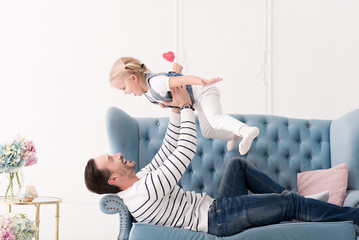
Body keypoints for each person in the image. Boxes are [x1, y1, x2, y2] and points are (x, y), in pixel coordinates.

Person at [84, 87, 356, 237]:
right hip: (219, 219)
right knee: (292, 204)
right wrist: (189, 106)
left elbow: (168, 148)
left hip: (216, 207)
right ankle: (350, 216)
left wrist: (176, 110)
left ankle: (289, 203)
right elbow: (184, 150)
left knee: (236, 165)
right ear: (113, 179)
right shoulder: (145, 190)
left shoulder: (140, 180)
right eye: (111, 159)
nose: (117, 155)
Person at [109, 56, 259, 155]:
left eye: (123, 88)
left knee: (215, 119)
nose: (125, 93)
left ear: (133, 78)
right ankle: (234, 135)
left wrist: (202, 82)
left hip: (204, 91)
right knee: (207, 131)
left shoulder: (155, 83)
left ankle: (246, 130)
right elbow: (171, 87)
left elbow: (182, 81)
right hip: (197, 101)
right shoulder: (147, 92)